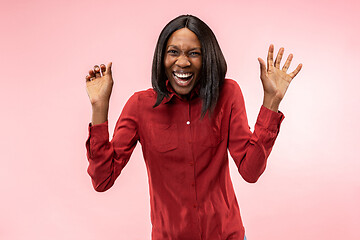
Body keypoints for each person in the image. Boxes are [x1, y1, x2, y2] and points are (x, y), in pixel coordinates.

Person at [85, 15, 302, 240]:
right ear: (161, 56)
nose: (183, 62)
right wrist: (99, 107)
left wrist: (271, 101)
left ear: (207, 57)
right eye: (173, 52)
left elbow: (251, 171)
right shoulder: (140, 106)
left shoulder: (228, 94)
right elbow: (102, 180)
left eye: (194, 53)